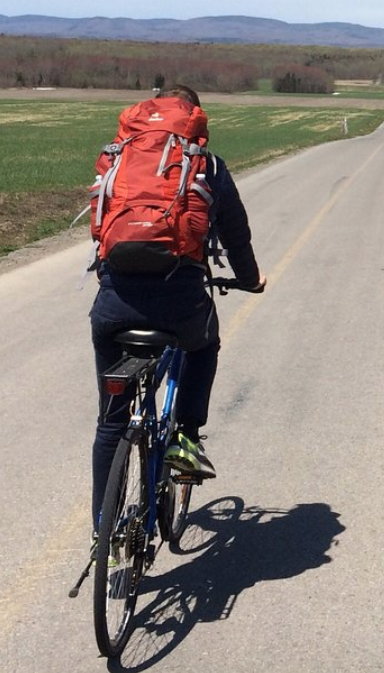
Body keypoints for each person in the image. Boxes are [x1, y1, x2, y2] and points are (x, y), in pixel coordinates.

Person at [88, 85, 265, 524]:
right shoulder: (205, 165)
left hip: (113, 305)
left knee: (112, 422)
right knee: (204, 344)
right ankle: (185, 436)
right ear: (195, 116)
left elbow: (102, 223)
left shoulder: (118, 156)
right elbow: (236, 233)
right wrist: (248, 279)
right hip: (179, 300)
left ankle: (102, 535)